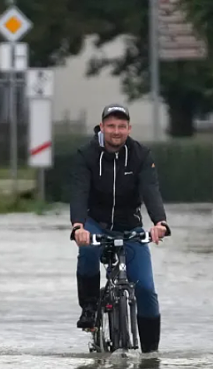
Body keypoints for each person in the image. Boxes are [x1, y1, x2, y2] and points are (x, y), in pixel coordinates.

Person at [69, 104, 171, 353]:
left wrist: (160, 222)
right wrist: (78, 226)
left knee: (145, 287)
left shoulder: (141, 155)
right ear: (102, 126)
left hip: (130, 226)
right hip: (96, 222)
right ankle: (90, 308)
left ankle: (150, 353)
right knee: (88, 252)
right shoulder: (86, 154)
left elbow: (151, 191)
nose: (117, 131)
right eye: (111, 126)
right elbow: (79, 193)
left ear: (129, 128)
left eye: (122, 126)